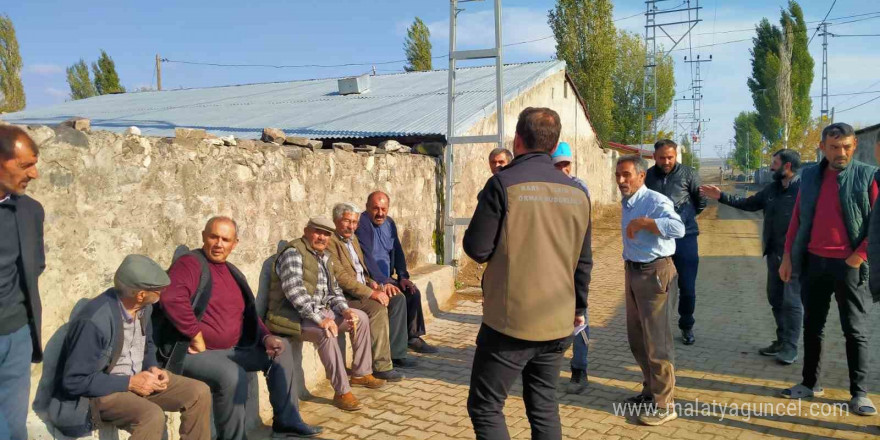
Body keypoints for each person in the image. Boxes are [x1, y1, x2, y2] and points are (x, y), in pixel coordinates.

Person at [463, 107, 592, 439]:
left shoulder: (502, 184)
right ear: (554, 145)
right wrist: (578, 309)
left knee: (486, 406)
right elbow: (584, 261)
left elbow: (477, 249)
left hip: (510, 323)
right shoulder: (578, 193)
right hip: (558, 321)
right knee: (544, 405)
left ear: (517, 140)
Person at [158, 217, 322, 439]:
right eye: (214, 237)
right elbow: (172, 297)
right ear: (204, 236)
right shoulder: (190, 263)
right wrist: (194, 334)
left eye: (225, 239)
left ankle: (287, 421)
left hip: (235, 349)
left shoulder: (233, 272)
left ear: (235, 243)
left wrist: (265, 338)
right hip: (194, 352)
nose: (219, 244)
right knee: (231, 375)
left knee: (280, 350)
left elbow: (249, 314)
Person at [50, 255, 212, 440]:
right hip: (102, 392)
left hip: (137, 381)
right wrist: (130, 383)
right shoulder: (94, 322)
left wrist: (153, 368)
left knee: (199, 393)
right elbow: (74, 381)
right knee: (151, 415)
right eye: (159, 291)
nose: (162, 295)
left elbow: (147, 345)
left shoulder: (143, 308)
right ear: (141, 294)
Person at [779, 122, 877, 416]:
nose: (841, 152)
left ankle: (859, 393)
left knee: (854, 330)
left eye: (847, 146)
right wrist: (787, 256)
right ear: (822, 147)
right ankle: (809, 383)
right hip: (813, 263)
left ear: (854, 146)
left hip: (849, 266)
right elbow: (797, 219)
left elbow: (878, 224)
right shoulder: (809, 177)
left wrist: (858, 256)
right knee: (813, 326)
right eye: (834, 147)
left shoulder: (868, 176)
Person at [266, 217, 383, 412]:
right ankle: (341, 391)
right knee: (326, 332)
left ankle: (361, 373)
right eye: (317, 232)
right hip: (291, 316)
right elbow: (296, 294)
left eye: (326, 234)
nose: (322, 237)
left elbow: (334, 292)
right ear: (306, 231)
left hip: (320, 310)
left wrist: (345, 310)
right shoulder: (294, 254)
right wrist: (322, 320)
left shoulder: (325, 257)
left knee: (359, 318)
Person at [699, 149, 802, 365]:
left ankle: (791, 348)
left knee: (791, 302)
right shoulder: (773, 189)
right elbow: (749, 204)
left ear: (788, 166)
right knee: (775, 299)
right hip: (773, 253)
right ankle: (781, 341)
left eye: (775, 163)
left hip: (794, 256)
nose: (771, 167)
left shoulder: (803, 190)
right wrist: (721, 196)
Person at [616, 155, 685, 426]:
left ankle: (664, 404)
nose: (621, 180)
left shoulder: (654, 201)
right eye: (618, 175)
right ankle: (650, 390)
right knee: (637, 339)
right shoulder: (628, 202)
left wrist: (647, 223)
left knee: (658, 342)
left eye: (627, 175)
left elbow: (678, 228)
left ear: (641, 176)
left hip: (655, 274)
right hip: (633, 272)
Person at [328, 203, 406, 381]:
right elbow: (341, 278)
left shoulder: (353, 239)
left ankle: (396, 354)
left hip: (363, 288)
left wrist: (375, 284)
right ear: (336, 220)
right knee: (377, 308)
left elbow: (361, 272)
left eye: (355, 222)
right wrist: (371, 293)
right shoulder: (331, 242)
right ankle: (381, 365)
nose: (352, 226)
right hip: (346, 296)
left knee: (397, 298)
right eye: (347, 221)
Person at [0, 125, 44, 440]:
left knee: (14, 429)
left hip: (16, 336)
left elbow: (34, 266)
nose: (34, 174)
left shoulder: (30, 211)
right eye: (24, 165)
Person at [355, 191, 438, 355]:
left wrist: (403, 276)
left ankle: (412, 337)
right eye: (375, 209)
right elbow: (366, 256)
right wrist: (382, 282)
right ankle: (394, 350)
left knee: (412, 292)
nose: (380, 213)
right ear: (367, 207)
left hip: (387, 277)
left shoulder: (389, 223)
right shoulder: (362, 223)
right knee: (398, 298)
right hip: (372, 278)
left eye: (383, 209)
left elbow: (397, 250)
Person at [645, 139, 707, 345]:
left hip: (685, 239)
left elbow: (701, 202)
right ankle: (657, 327)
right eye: (662, 157)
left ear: (676, 155)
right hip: (657, 240)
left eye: (670, 157)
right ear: (654, 157)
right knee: (658, 286)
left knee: (687, 286)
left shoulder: (688, 174)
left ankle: (687, 325)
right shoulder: (647, 177)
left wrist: (684, 220)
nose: (666, 161)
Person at [550, 141, 590, 393]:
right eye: (558, 165)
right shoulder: (544, 190)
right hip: (550, 266)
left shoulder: (579, 189)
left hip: (574, 265)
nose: (563, 169)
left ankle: (579, 370)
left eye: (566, 164)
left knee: (580, 318)